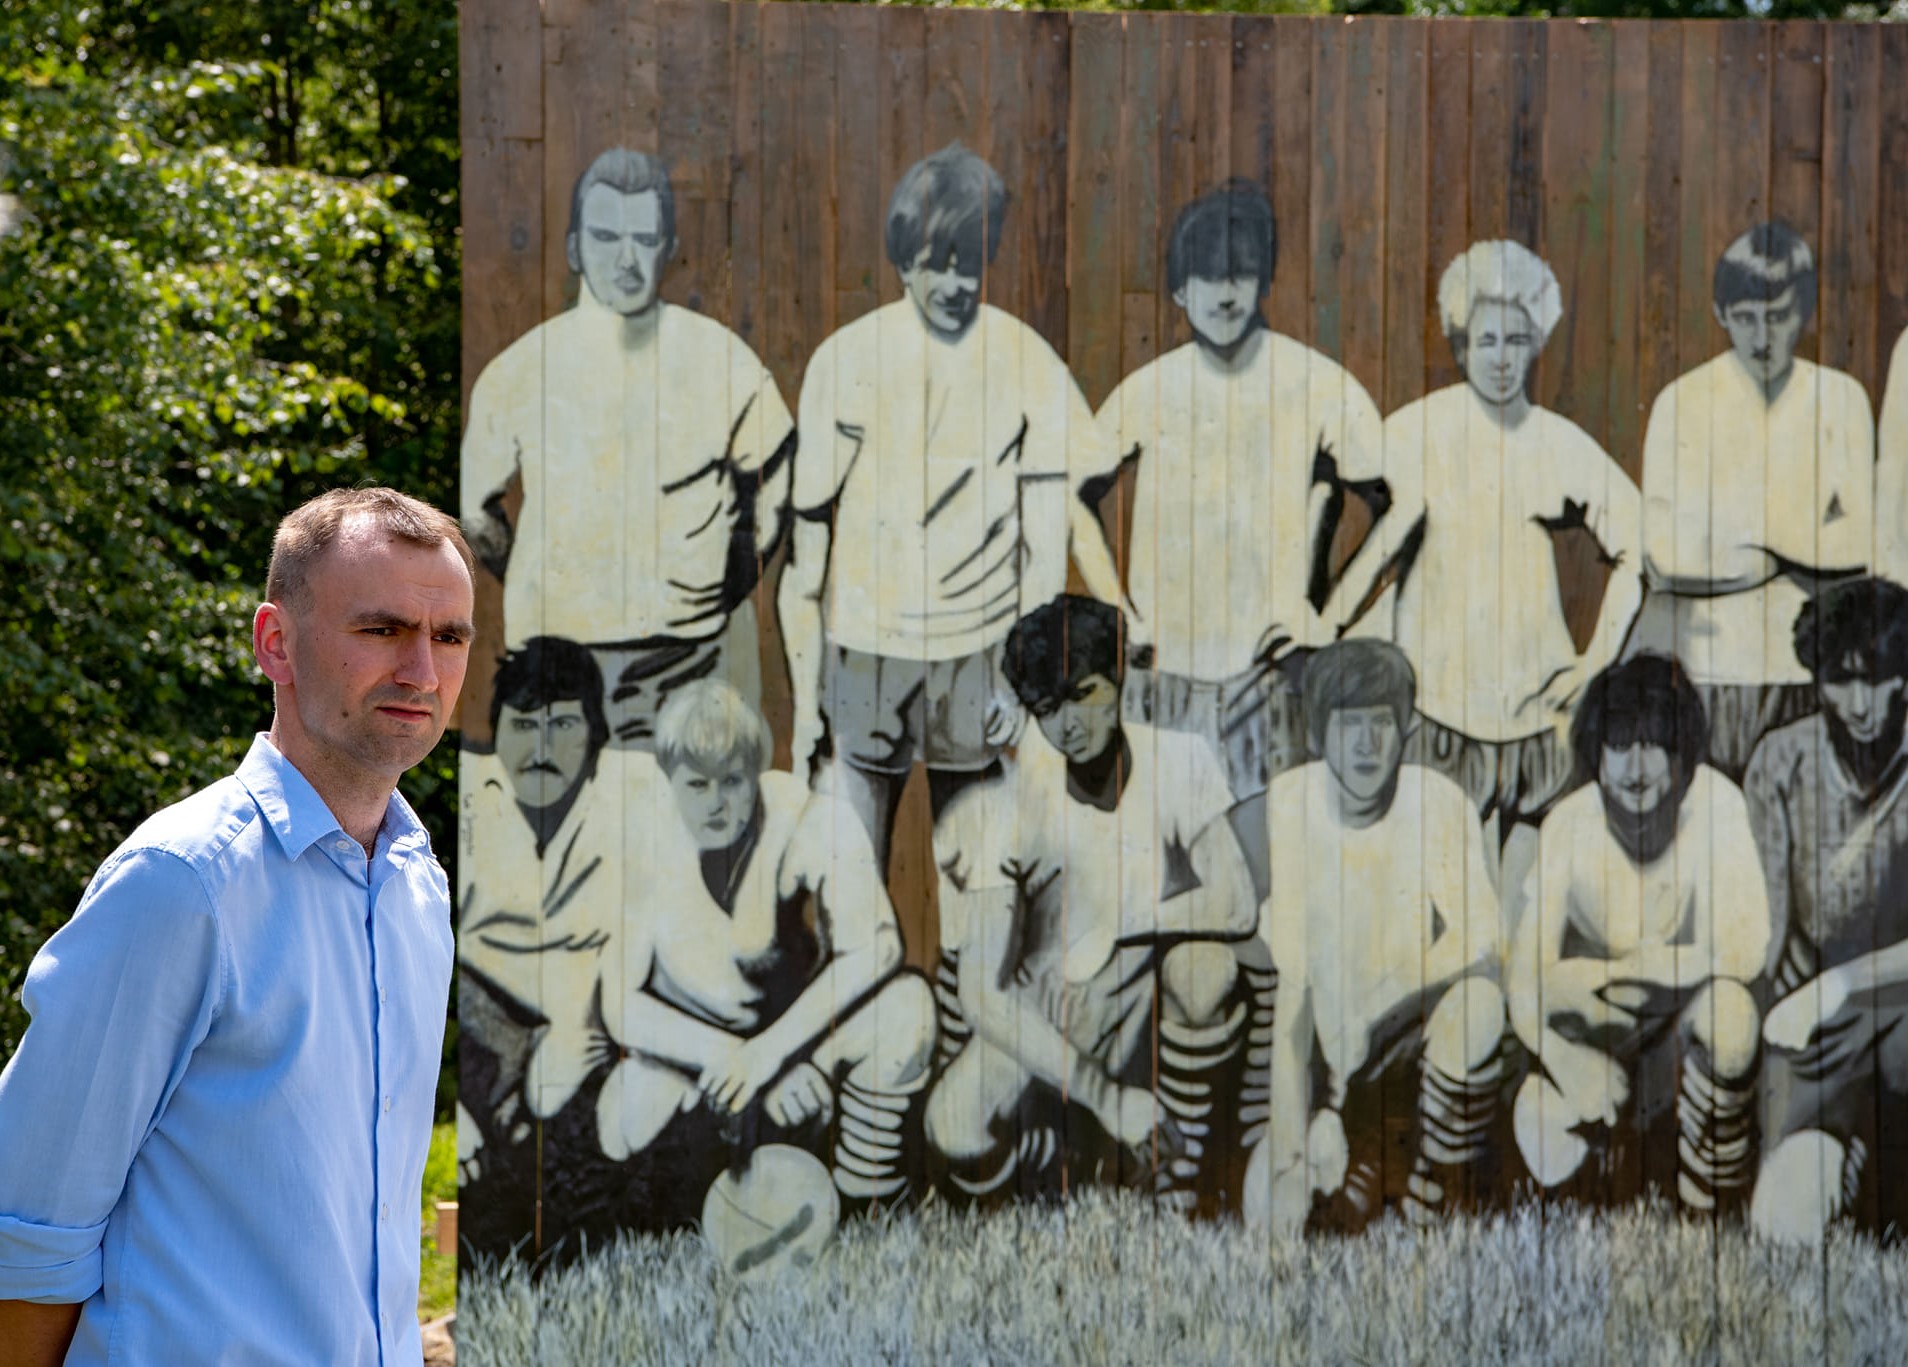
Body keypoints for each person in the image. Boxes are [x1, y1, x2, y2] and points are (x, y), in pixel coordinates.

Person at [0, 488, 473, 1366]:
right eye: (382, 629)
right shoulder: (181, 882)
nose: (422, 669)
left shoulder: (418, 887)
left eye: (449, 636)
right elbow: (27, 1236)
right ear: (274, 642)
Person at [778, 142, 1114, 867]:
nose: (956, 282)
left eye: (971, 262)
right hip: (865, 652)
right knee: (851, 876)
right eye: (937, 263)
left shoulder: (1026, 360)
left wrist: (1017, 680)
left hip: (980, 652)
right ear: (904, 260)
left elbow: (1045, 541)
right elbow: (806, 560)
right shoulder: (846, 359)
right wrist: (807, 703)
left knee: (982, 880)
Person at [463, 147, 794, 747]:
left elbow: (776, 476)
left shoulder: (723, 362)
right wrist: (549, 580)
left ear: (668, 248)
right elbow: (475, 510)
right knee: (563, 801)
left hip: (688, 653)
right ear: (574, 247)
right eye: (606, 236)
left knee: (689, 800)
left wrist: (724, 583)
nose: (625, 258)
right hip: (555, 656)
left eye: (644, 239)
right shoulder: (518, 372)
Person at [924, 595, 1247, 1207]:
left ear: (1118, 678)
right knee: (953, 1125)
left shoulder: (1179, 758)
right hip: (1050, 1003)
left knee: (1207, 970)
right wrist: (1105, 1095)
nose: (1068, 723)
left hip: (1139, 989)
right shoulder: (1013, 800)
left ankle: (1173, 1172)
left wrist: (1121, 926)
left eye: (1083, 694)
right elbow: (981, 992)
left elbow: (1235, 903)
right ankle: (1051, 1161)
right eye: (1048, 709)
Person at [1083, 180, 1388, 798]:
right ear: (1179, 289)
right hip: (1163, 677)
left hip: (1270, 678)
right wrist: (1120, 615)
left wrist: (1327, 621)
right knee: (1158, 841)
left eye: (1241, 275)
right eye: (1206, 277)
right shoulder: (1148, 390)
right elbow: (1074, 497)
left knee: (1270, 844)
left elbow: (1400, 506)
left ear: (1263, 281)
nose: (1225, 293)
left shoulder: (1316, 383)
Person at [593, 680, 938, 1208]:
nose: (715, 803)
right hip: (703, 1058)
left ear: (755, 773)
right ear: (669, 779)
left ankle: (864, 1191)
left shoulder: (807, 816)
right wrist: (737, 1060)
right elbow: (621, 1006)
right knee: (620, 1122)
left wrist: (773, 1055)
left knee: (907, 1009)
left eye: (732, 781)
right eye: (697, 784)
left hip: (800, 1045)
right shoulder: (644, 835)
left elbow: (878, 948)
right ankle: (713, 1189)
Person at [1363, 240, 1642, 832]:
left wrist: (1595, 664)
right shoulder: (1412, 433)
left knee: (1534, 878)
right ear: (1462, 345)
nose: (1500, 358)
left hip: (1537, 724)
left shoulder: (1558, 444)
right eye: (1486, 340)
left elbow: (1638, 546)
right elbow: (1363, 556)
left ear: (1536, 344)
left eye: (1516, 340)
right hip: (1434, 716)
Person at [1243, 639, 1507, 1238]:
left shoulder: (1438, 802)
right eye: (1348, 725)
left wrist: (1384, 1004)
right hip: (1331, 1064)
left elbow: (1484, 939)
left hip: (1405, 1040)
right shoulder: (1291, 805)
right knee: (1273, 1211)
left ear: (1406, 729)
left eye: (1381, 724)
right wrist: (1291, 1148)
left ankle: (1434, 1194)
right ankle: (1341, 1166)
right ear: (1318, 734)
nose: (1366, 744)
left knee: (1481, 1007)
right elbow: (1293, 995)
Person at [1508, 654, 1769, 1214]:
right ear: (1597, 754)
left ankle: (1708, 1201)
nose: (1636, 767)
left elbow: (1746, 951)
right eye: (1620, 745)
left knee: (1732, 1016)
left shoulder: (1717, 802)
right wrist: (1564, 1059)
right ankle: (1601, 1172)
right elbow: (1524, 980)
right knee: (1543, 1134)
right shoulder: (1569, 822)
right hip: (1601, 1033)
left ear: (1682, 753)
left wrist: (1616, 971)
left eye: (1653, 744)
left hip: (1678, 1032)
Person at [1632, 221, 1875, 779]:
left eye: (1779, 315)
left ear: (1806, 310)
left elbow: (1858, 546)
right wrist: (1799, 544)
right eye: (1745, 319)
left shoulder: (1842, 400)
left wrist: (1737, 538)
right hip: (1702, 672)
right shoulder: (1681, 403)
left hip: (1805, 674)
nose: (1762, 338)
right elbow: (1665, 559)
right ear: (1720, 315)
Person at [1745, 578, 1908, 1243]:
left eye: (1881, 677)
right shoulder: (1782, 759)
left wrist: (1843, 982)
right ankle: (1839, 1154)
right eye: (1843, 680)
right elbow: (1765, 928)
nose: (1862, 704)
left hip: (1899, 1004)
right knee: (1781, 1228)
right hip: (1813, 1020)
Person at [455, 637, 644, 1188]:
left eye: (562, 724)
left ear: (595, 734)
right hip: (488, 1039)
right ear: (497, 731)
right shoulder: (471, 808)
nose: (541, 746)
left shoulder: (633, 803)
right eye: (522, 724)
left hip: (597, 1040)